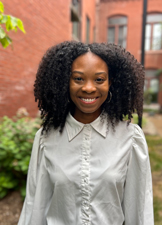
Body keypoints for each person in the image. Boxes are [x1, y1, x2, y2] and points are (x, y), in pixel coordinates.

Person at [18, 41, 154, 225]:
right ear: (65, 82)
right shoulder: (45, 138)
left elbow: (140, 209)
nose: (88, 88)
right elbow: (35, 204)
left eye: (99, 79)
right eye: (78, 78)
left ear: (111, 83)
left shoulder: (130, 138)